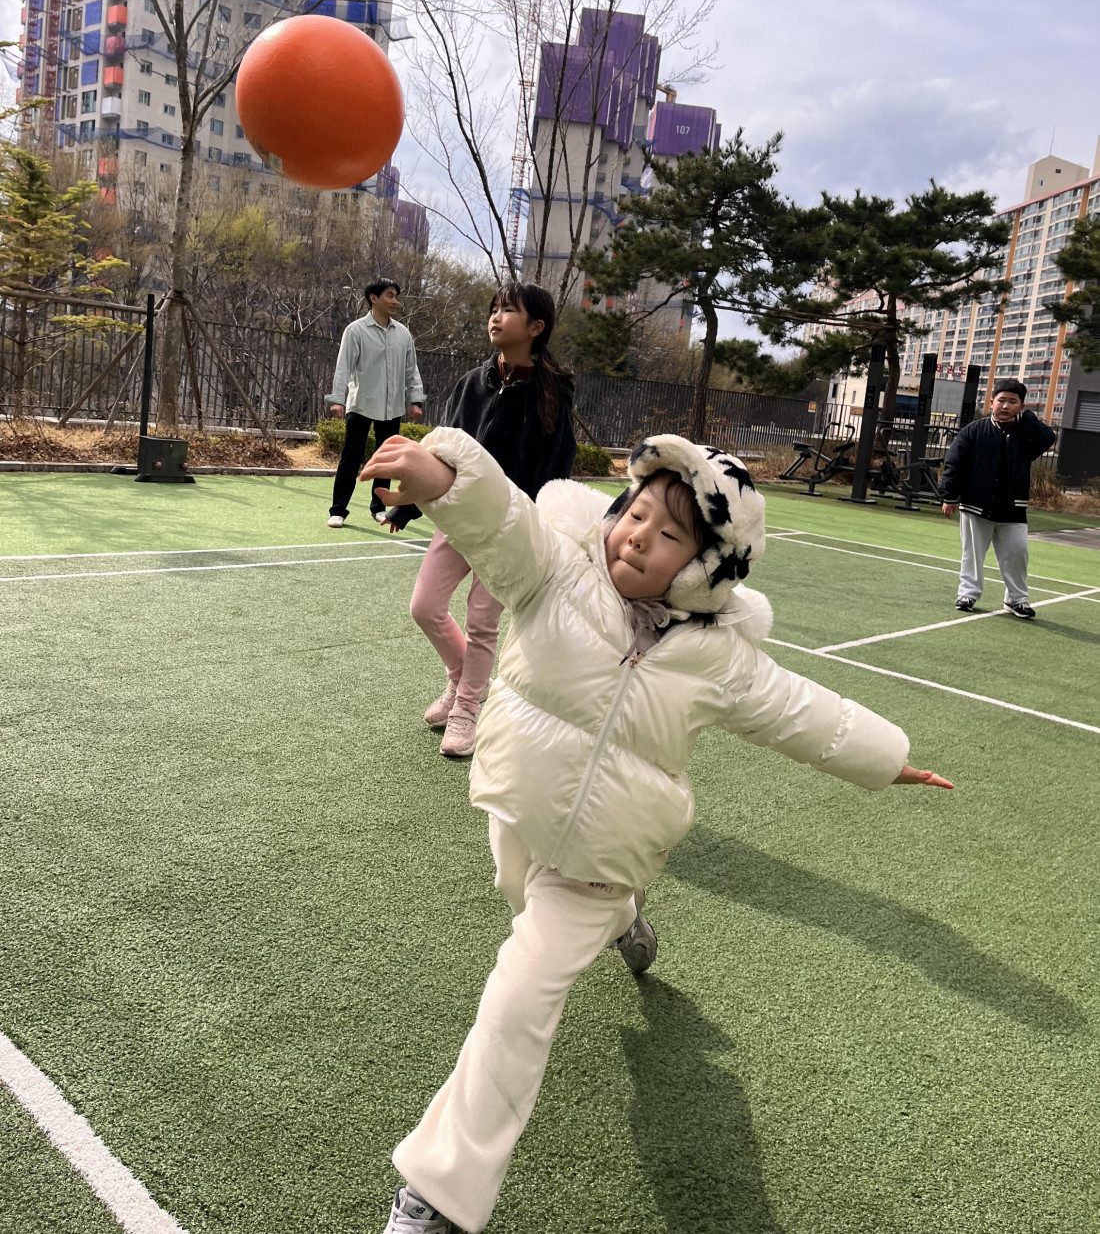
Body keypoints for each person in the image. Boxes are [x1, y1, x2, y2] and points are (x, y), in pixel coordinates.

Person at [360, 426, 952, 1234]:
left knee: (519, 995)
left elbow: (806, 714)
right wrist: (443, 475)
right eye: (636, 512)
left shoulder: (722, 659)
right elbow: (502, 524)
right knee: (513, 888)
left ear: (708, 566)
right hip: (520, 806)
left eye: (670, 532)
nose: (638, 534)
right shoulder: (556, 571)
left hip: (604, 853)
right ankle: (627, 920)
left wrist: (890, 760)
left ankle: (436, 1193)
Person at [381, 282, 576, 759]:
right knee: (424, 606)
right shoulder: (472, 382)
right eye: (494, 308)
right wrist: (408, 504)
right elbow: (440, 451)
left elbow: (557, 462)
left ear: (536, 327)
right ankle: (463, 678)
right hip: (459, 518)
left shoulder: (552, 391)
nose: (496, 317)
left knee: (483, 621)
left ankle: (467, 708)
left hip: (510, 528)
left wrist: (545, 520)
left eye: (509, 310)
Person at [940, 377, 1056, 619]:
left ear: (1021, 406)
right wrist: (949, 496)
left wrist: (1026, 420)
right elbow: (954, 462)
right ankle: (968, 594)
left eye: (1013, 402)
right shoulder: (974, 430)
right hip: (975, 504)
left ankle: (1016, 600)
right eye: (1001, 400)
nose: (1005, 406)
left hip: (1013, 507)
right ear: (991, 402)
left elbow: (1048, 438)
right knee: (972, 554)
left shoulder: (1026, 434)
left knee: (1018, 553)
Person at [325, 277, 425, 528]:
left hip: (392, 407)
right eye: (390, 295)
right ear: (373, 298)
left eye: (396, 296)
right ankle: (338, 511)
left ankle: (378, 507)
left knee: (386, 460)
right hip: (361, 404)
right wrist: (337, 399)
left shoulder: (403, 334)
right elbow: (343, 366)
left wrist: (415, 400)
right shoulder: (355, 330)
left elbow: (411, 371)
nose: (395, 301)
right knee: (351, 457)